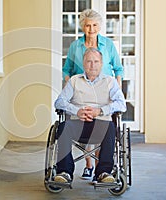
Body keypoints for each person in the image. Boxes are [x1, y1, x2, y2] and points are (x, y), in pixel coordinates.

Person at [62, 9, 124, 179]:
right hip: (80, 90)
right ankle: (89, 165)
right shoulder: (76, 46)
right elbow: (67, 68)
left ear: (100, 26)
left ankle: (101, 168)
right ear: (83, 26)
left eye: (95, 25)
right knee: (82, 119)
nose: (91, 29)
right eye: (88, 25)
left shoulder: (108, 45)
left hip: (104, 91)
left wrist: (117, 83)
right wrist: (68, 81)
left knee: (103, 124)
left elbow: (118, 68)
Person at [54, 48, 126, 184]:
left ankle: (103, 173)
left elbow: (122, 105)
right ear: (84, 63)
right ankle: (64, 172)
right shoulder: (74, 80)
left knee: (111, 127)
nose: (92, 65)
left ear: (101, 63)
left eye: (96, 61)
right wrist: (77, 111)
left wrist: (100, 111)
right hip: (77, 124)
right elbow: (59, 102)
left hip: (101, 125)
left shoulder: (110, 82)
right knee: (63, 127)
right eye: (89, 61)